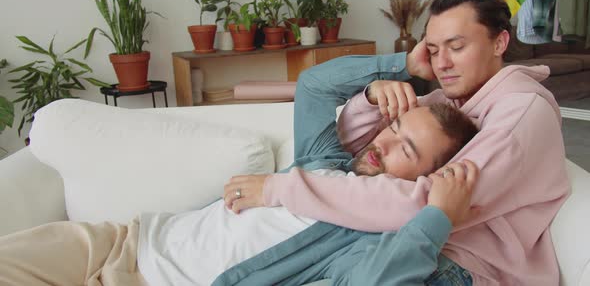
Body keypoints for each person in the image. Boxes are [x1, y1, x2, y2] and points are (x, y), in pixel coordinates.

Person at [220, 0, 571, 285]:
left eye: (457, 46)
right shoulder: (449, 102)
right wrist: (384, 86)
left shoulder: (521, 112)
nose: (442, 64)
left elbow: (427, 203)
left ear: (500, 42)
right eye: (433, 50)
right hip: (402, 246)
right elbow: (352, 147)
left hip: (460, 268)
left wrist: (279, 188)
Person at [0, 82, 479, 282]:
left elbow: (378, 281)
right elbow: (314, 86)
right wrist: (383, 82)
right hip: (120, 240)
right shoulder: (325, 158)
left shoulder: (365, 238)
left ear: (423, 179)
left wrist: (433, 218)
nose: (383, 145)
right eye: (393, 130)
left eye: (406, 152)